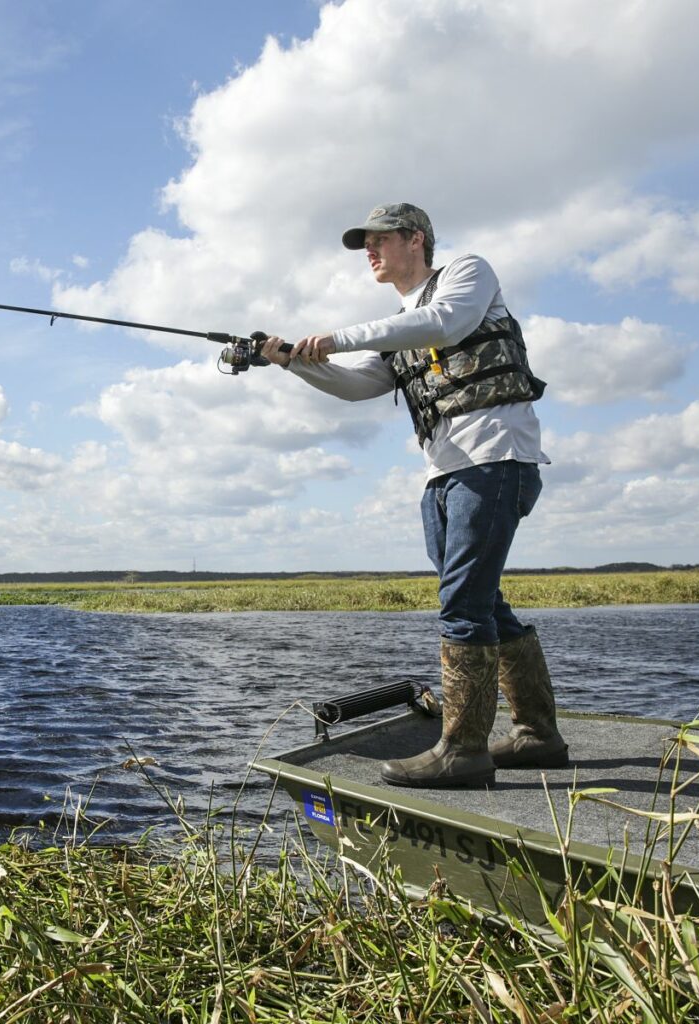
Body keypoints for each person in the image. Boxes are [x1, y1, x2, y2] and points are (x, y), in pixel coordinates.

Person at [261, 203, 567, 788]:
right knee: (482, 600)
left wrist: (335, 337)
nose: (369, 253)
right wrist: (293, 363)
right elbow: (356, 386)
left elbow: (445, 324)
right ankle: (537, 734)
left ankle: (463, 750)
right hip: (443, 474)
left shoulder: (466, 276)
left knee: (462, 603)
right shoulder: (397, 328)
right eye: (365, 245)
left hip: (496, 458)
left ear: (415, 239)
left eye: (378, 240)